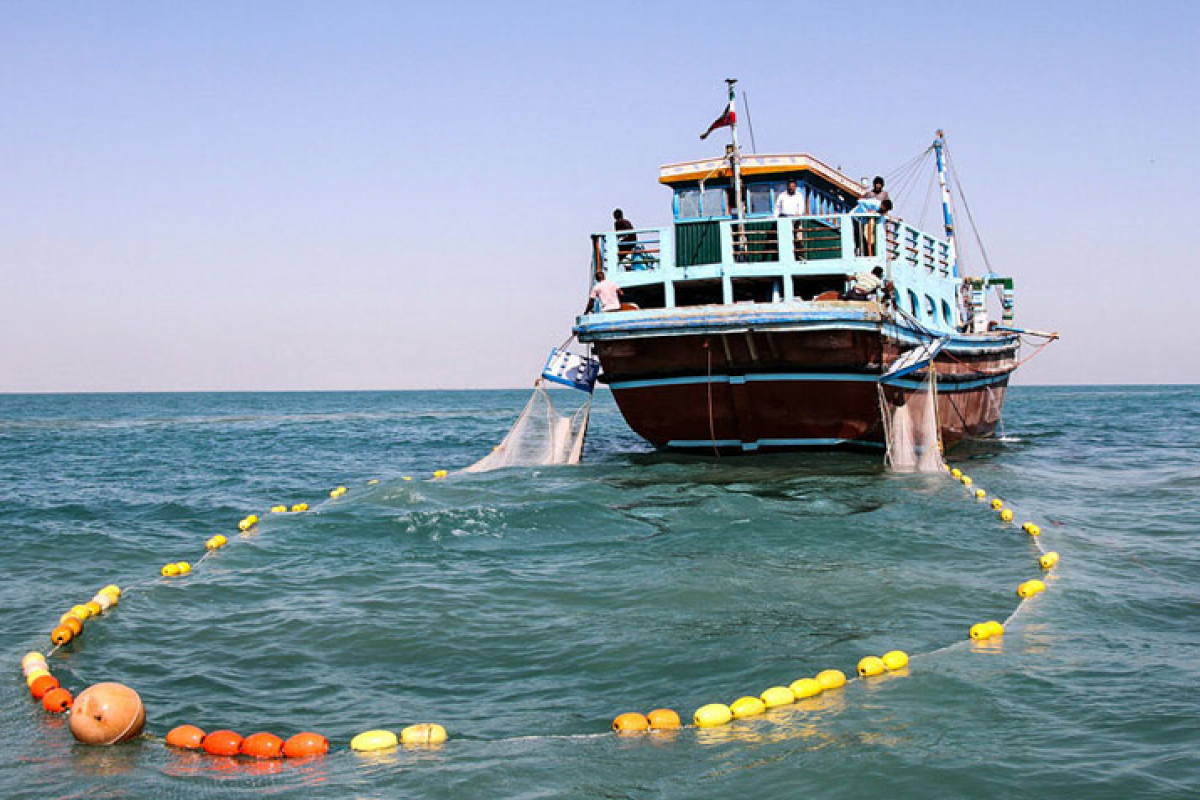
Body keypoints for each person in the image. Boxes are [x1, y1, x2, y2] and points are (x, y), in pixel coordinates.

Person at [855, 176, 893, 256]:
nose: (878, 186)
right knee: (864, 235)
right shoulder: (870, 194)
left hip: (877, 218)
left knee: (875, 237)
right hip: (864, 218)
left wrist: (888, 218)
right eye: (877, 184)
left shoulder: (884, 194)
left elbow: (886, 207)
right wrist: (866, 212)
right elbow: (860, 201)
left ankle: (874, 253)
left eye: (880, 184)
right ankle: (866, 253)